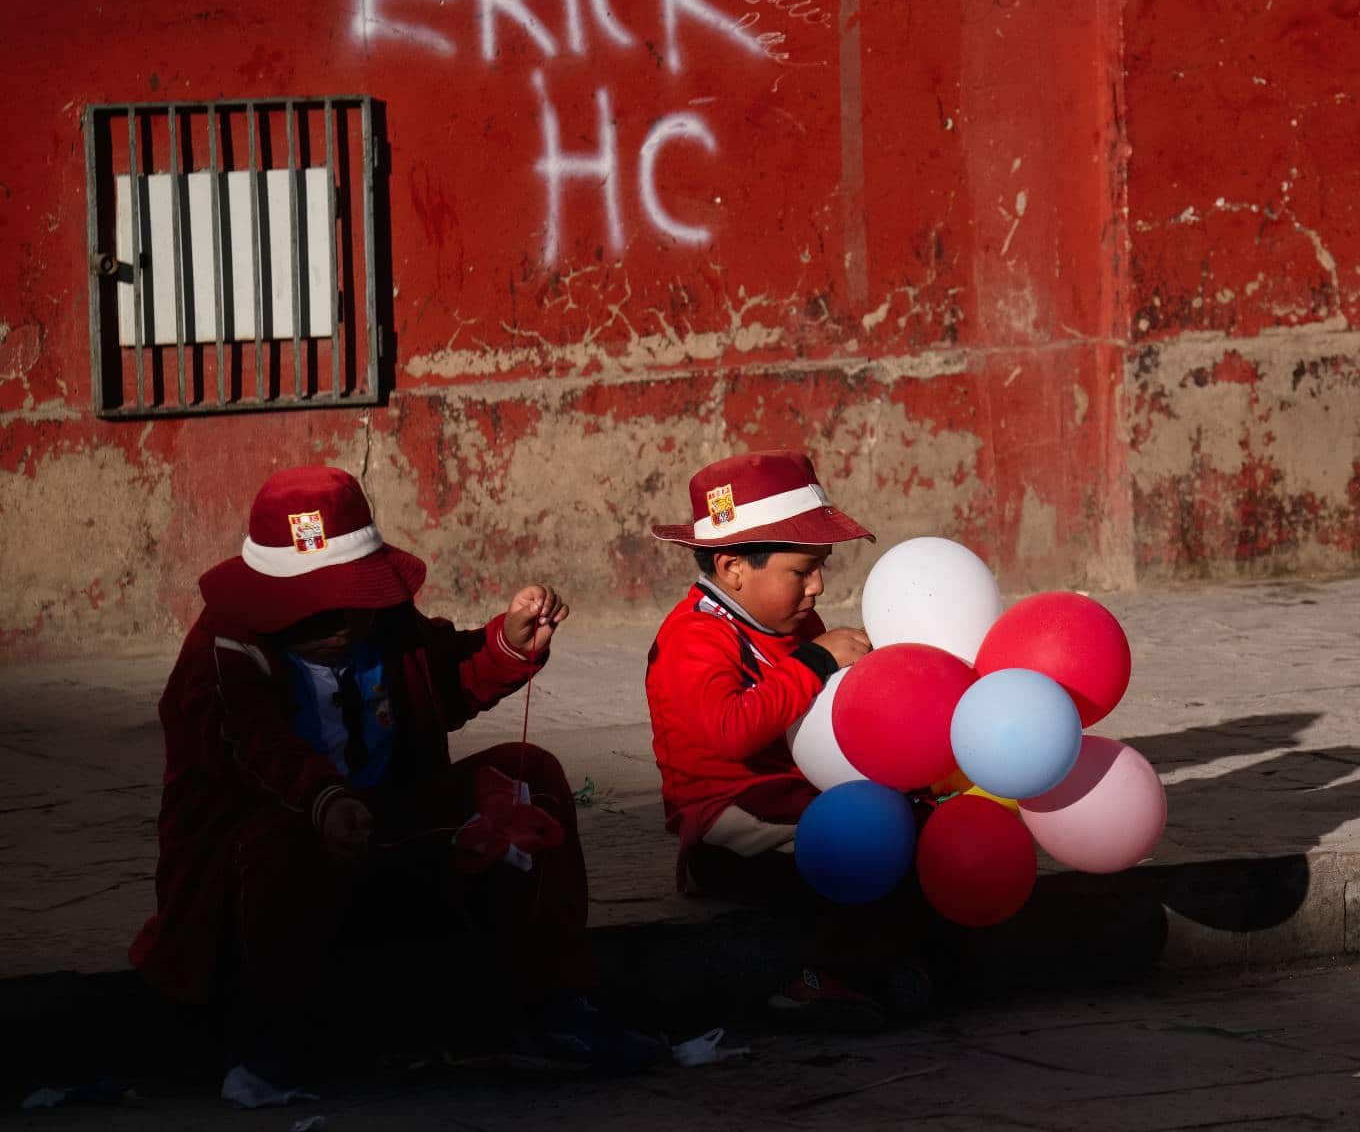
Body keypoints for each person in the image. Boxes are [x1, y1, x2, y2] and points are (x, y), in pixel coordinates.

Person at [131, 465, 655, 1087]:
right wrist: (326, 801)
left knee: (526, 777)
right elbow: (258, 746)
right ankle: (275, 1036)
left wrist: (508, 644)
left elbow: (445, 682)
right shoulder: (222, 652)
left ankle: (553, 1004)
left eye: (352, 607)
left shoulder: (386, 624)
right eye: (318, 614)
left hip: (392, 832)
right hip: (270, 873)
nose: (344, 627)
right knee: (282, 838)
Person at [646, 449, 946, 1030]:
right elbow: (730, 731)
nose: (818, 587)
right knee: (869, 847)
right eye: (801, 571)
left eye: (821, 566)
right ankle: (816, 980)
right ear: (734, 567)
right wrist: (814, 662)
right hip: (729, 821)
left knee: (917, 822)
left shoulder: (796, 625)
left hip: (804, 797)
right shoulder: (694, 637)